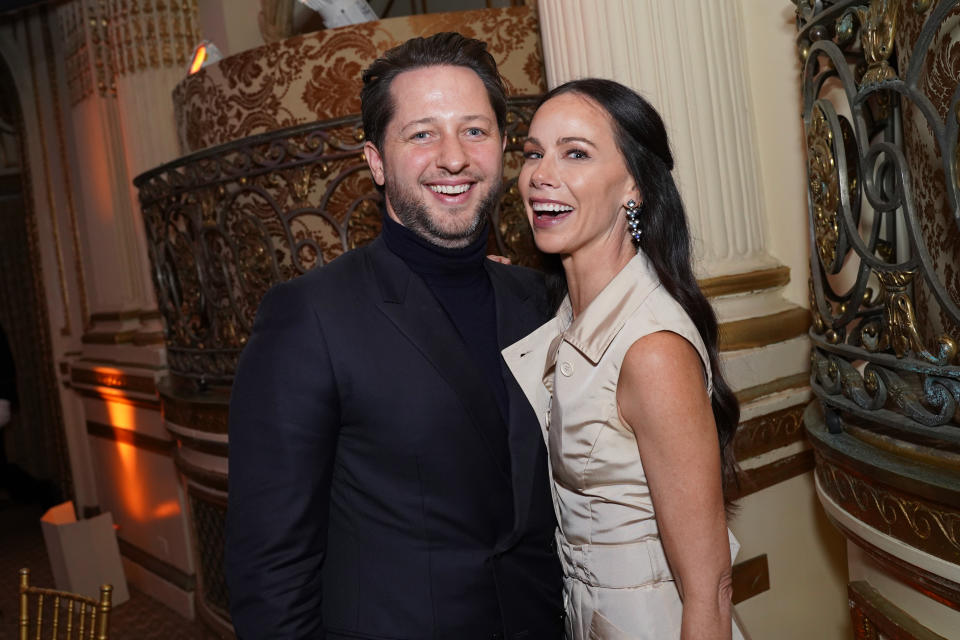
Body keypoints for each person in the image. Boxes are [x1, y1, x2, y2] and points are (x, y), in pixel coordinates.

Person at [225, 32, 563, 640]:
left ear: (504, 148)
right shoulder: (311, 316)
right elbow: (271, 566)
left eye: (475, 130)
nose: (454, 157)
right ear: (376, 160)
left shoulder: (540, 300)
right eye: (422, 133)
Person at [503, 79, 744, 640]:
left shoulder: (651, 351)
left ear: (633, 186)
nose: (541, 174)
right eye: (534, 152)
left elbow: (710, 588)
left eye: (576, 153)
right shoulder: (568, 320)